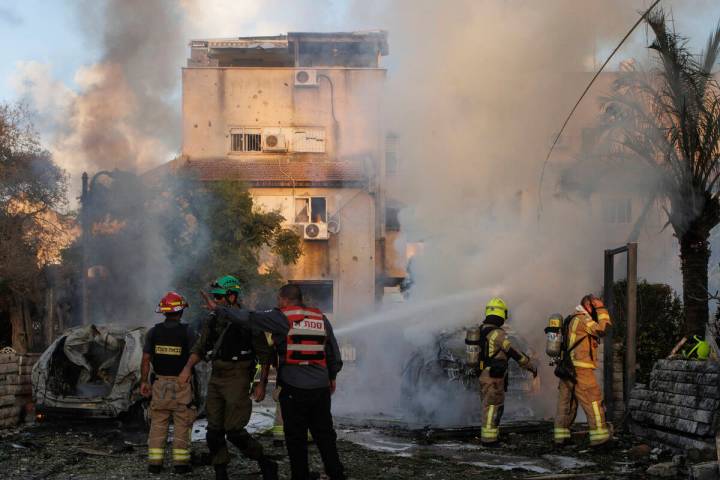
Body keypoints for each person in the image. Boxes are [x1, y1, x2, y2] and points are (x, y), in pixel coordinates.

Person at [206, 283, 345, 480]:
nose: (277, 302)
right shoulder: (320, 317)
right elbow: (333, 353)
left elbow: (248, 317)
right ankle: (336, 474)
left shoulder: (281, 316)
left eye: (278, 299)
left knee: (295, 438)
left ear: (284, 299)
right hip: (320, 388)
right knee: (325, 435)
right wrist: (332, 376)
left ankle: (300, 476)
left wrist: (218, 309)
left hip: (294, 388)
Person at [178, 275, 277, 480]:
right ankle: (220, 472)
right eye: (215, 296)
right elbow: (201, 346)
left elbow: (264, 356)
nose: (216, 300)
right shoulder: (212, 320)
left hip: (239, 376)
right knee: (213, 431)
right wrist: (187, 368)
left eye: (220, 297)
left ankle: (265, 462)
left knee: (234, 431)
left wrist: (260, 384)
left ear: (232, 297)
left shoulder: (249, 320)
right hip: (217, 376)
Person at [140, 292, 197, 475]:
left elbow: (146, 360)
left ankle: (154, 465)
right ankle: (180, 466)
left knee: (158, 423)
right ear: (180, 311)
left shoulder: (153, 332)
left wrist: (144, 382)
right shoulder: (188, 332)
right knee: (182, 423)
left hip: (160, 384)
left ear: (164, 312)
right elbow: (197, 354)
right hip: (182, 383)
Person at [553, 294, 612, 447]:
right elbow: (603, 329)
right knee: (593, 400)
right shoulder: (582, 318)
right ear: (588, 305)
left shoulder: (571, 319)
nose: (597, 310)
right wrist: (601, 308)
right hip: (581, 369)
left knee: (567, 403)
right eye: (595, 306)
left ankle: (561, 437)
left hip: (568, 368)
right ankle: (600, 438)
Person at [477, 297, 537, 446]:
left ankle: (492, 435)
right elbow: (513, 351)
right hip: (494, 377)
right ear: (501, 314)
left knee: (489, 406)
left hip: (484, 374)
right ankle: (489, 439)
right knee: (493, 406)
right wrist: (530, 365)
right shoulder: (497, 334)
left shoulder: (481, 330)